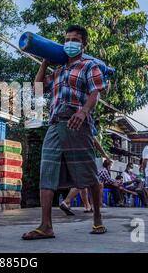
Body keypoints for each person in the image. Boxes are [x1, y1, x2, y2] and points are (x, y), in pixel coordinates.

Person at [22, 25, 109, 240]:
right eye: (67, 39)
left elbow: (95, 92)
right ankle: (45, 226)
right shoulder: (58, 71)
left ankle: (97, 218)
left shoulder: (90, 66)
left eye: (75, 39)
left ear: (83, 44)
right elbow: (38, 89)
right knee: (47, 171)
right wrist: (45, 61)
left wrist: (83, 112)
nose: (70, 42)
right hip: (54, 124)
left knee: (89, 174)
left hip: (78, 123)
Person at [60, 137, 112, 215]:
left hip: (72, 155)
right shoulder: (87, 126)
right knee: (85, 182)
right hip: (84, 156)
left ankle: (87, 206)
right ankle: (66, 201)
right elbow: (94, 139)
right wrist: (105, 155)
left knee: (82, 183)